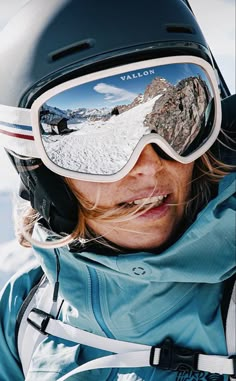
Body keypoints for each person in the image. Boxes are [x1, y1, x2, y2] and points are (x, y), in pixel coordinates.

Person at [0, 0, 235, 380]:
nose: (148, 166)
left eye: (180, 126)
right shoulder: (23, 315)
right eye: (97, 151)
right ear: (40, 173)